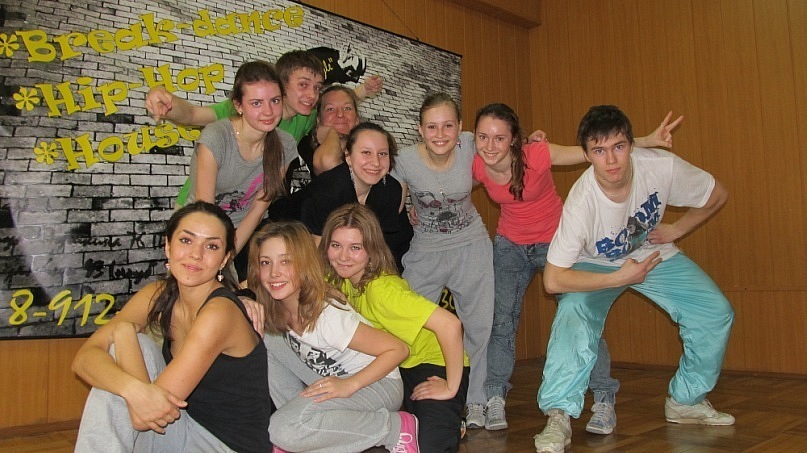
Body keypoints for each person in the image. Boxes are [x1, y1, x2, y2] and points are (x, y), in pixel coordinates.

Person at [533, 105, 734, 452]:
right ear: (586, 155)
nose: (611, 160)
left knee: (714, 311)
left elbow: (718, 194)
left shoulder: (661, 166)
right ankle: (558, 417)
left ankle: (686, 401)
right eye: (599, 151)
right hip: (595, 264)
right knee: (573, 315)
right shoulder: (581, 203)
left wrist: (677, 228)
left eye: (619, 147)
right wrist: (618, 278)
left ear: (632, 145)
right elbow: (553, 280)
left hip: (651, 253)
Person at [472, 103, 682, 433]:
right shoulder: (476, 164)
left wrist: (647, 140)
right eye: (483, 137)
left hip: (555, 243)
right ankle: (495, 395)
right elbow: (449, 184)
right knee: (502, 322)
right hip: (509, 246)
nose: (489, 145)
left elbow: (593, 151)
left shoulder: (537, 154)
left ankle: (603, 397)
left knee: (581, 315)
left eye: (499, 138)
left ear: (514, 139)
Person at [71, 201, 272, 452]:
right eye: (186, 241)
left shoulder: (220, 313)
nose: (196, 254)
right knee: (130, 356)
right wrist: (131, 388)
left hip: (223, 446)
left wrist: (123, 333)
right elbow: (83, 359)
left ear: (224, 259)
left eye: (211, 246)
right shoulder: (158, 293)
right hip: (181, 428)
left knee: (128, 346)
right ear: (167, 246)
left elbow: (145, 416)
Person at [247, 221, 418, 452]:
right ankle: (303, 430)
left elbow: (398, 349)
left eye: (286, 261)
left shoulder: (327, 316)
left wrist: (350, 385)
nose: (274, 272)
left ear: (304, 264)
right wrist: (243, 298)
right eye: (265, 262)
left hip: (377, 384)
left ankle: (395, 428)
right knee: (265, 334)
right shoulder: (276, 308)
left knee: (280, 430)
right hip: (333, 377)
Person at [321, 203, 467, 452]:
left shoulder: (383, 291)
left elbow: (451, 324)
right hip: (394, 364)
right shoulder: (339, 277)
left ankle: (451, 418)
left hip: (432, 362)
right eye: (336, 245)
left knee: (429, 446)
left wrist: (450, 387)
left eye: (355, 247)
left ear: (372, 249)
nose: (343, 256)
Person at [391, 92, 493, 429]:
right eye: (432, 127)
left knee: (478, 326)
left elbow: (509, 147)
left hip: (471, 245)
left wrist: (534, 141)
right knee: (407, 323)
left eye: (448, 125)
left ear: (460, 127)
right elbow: (391, 201)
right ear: (420, 129)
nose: (440, 134)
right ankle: (407, 397)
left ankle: (475, 400)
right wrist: (407, 212)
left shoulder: (471, 144)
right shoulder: (404, 159)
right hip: (426, 249)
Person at [181, 60, 298, 279]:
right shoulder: (216, 136)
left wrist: (229, 255)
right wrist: (217, 255)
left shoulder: (286, 144)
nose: (268, 111)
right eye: (256, 103)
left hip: (242, 232)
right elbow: (206, 211)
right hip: (200, 228)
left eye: (274, 101)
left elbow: (258, 209)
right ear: (238, 105)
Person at [301, 122, 413, 271]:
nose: (376, 162)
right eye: (366, 152)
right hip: (297, 240)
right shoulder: (329, 191)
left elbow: (380, 246)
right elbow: (315, 252)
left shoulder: (390, 190)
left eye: (382, 154)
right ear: (348, 156)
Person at [266, 84, 362, 222]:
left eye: (347, 108)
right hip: (292, 227)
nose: (340, 114)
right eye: (330, 109)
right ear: (318, 120)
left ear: (357, 119)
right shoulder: (303, 148)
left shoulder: (366, 158)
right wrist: (331, 134)